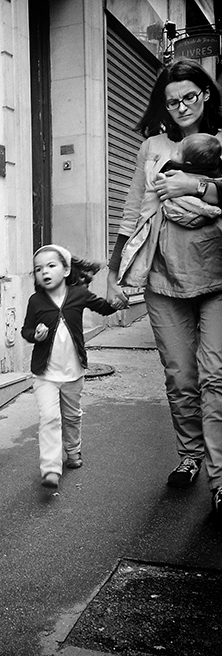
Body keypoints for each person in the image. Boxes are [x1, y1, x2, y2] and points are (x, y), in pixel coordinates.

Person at [106, 59, 222, 519]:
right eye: (171, 101)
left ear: (206, 94)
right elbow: (134, 204)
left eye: (188, 97)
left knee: (216, 377)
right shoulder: (152, 146)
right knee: (180, 376)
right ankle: (191, 454)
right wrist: (112, 265)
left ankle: (221, 478)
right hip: (161, 272)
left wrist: (196, 184)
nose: (180, 107)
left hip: (216, 273)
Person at [22, 245, 117, 489]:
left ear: (65, 270)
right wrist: (36, 335)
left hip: (73, 372)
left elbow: (104, 307)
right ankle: (51, 469)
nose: (44, 272)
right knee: (50, 418)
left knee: (71, 416)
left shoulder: (79, 293)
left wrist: (117, 300)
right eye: (38, 269)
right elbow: (26, 330)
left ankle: (73, 450)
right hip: (45, 374)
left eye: (51, 266)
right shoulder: (35, 301)